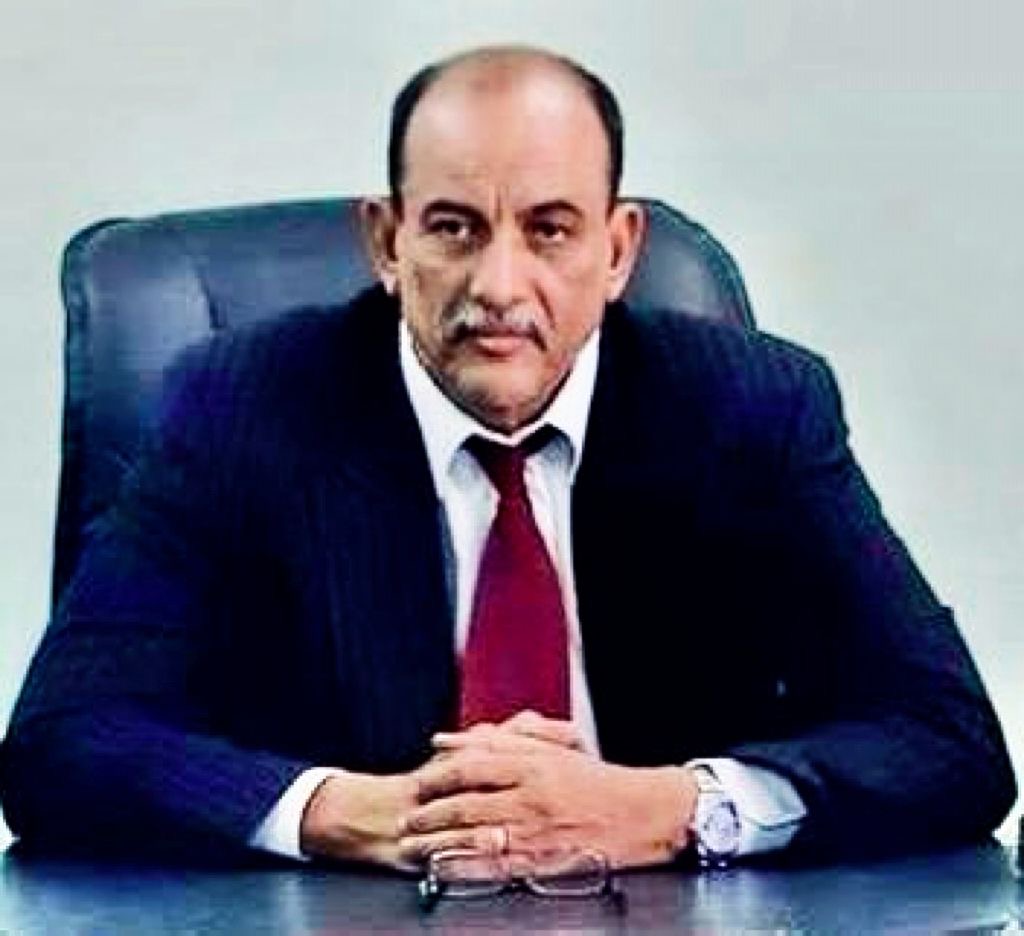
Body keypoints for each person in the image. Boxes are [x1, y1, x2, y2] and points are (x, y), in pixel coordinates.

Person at [0, 45, 1015, 871]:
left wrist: (675, 808)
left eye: (550, 230)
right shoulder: (242, 405)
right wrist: (344, 812)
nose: (498, 283)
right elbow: (62, 741)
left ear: (618, 251)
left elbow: (949, 741)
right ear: (385, 243)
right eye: (453, 228)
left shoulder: (750, 409)